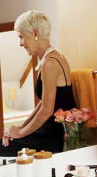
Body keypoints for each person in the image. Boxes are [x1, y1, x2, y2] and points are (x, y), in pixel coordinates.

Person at [0, 10, 76, 156]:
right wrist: (20, 127)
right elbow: (42, 103)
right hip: (48, 129)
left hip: (52, 135)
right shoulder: (54, 57)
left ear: (35, 33)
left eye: (21, 37)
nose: (21, 43)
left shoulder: (50, 63)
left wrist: (20, 133)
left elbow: (47, 110)